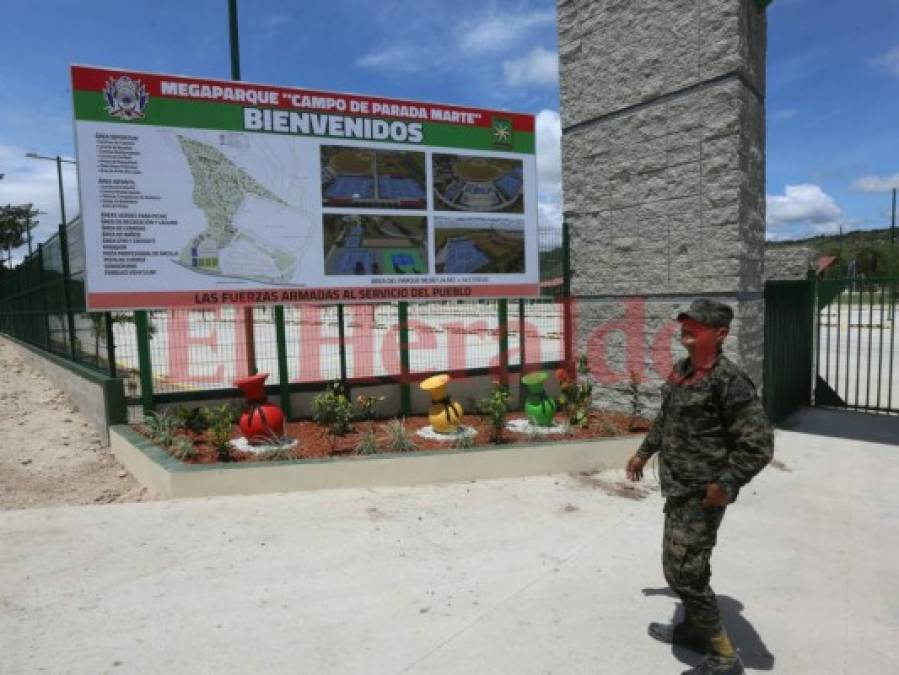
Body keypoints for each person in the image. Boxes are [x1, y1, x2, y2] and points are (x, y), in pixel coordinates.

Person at [625, 299, 773, 675]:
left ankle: (725, 657)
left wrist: (725, 485)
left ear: (720, 333)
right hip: (677, 488)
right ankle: (693, 629)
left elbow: (758, 444)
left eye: (697, 324)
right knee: (691, 567)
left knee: (683, 573)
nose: (687, 328)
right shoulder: (683, 370)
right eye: (686, 322)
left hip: (702, 494)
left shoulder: (730, 381)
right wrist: (644, 453)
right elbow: (666, 418)